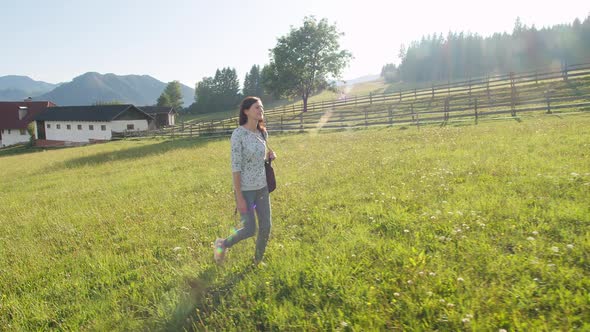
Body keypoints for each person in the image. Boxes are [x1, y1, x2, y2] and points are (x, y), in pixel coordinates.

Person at [214, 96, 276, 265]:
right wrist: (239, 196)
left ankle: (257, 260)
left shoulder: (263, 133)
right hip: (246, 190)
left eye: (262, 107)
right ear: (246, 111)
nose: (261, 110)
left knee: (266, 226)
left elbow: (258, 158)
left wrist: (269, 157)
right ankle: (222, 244)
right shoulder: (238, 134)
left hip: (262, 188)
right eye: (257, 107)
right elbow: (236, 166)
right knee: (250, 229)